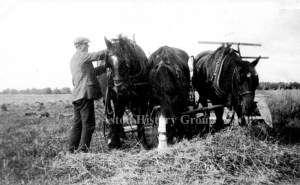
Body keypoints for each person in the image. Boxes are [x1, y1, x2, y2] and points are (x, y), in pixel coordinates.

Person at [69, 36, 106, 153]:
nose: (88, 46)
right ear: (79, 46)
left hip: (76, 96)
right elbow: (98, 55)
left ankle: (72, 150)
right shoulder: (83, 55)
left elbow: (91, 72)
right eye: (86, 44)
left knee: (77, 124)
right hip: (85, 95)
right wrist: (112, 48)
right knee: (89, 124)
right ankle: (82, 152)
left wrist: (104, 67)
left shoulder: (74, 59)